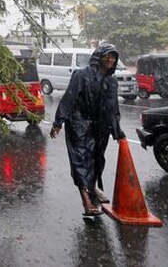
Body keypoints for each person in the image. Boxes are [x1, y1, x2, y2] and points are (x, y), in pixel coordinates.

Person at [49, 43, 126, 216]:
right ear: (99, 57)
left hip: (100, 126)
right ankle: (87, 202)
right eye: (108, 56)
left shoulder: (111, 81)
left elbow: (113, 109)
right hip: (79, 123)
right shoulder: (81, 75)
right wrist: (58, 122)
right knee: (81, 161)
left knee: (97, 160)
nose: (111, 60)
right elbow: (69, 98)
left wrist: (117, 131)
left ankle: (92, 188)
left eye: (113, 57)